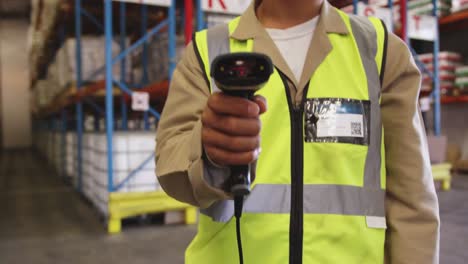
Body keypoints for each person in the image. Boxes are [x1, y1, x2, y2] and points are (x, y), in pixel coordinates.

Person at [155, 0, 440, 263]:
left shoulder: (379, 51)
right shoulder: (207, 51)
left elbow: (412, 202)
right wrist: (207, 153)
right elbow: (171, 163)